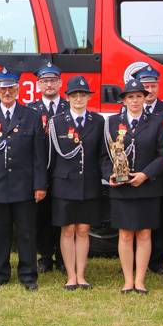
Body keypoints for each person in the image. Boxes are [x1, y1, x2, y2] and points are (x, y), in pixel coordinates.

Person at [0, 68, 47, 291]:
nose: (7, 92)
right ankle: (0, 274)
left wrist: (40, 184)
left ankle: (28, 275)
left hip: (24, 186)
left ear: (18, 90)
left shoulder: (32, 116)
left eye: (11, 88)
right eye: (2, 88)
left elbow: (39, 155)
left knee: (26, 232)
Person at [103, 79, 163, 295]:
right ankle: (127, 280)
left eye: (139, 96)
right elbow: (103, 156)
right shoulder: (112, 122)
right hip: (121, 188)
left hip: (147, 187)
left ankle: (140, 280)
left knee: (144, 234)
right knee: (125, 235)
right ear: (123, 100)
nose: (135, 100)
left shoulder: (157, 122)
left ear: (145, 98)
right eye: (130, 97)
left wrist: (146, 174)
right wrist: (109, 175)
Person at [47, 76, 104, 290]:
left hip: (88, 184)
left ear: (88, 97)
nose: (79, 98)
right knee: (68, 230)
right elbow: (50, 157)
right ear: (68, 97)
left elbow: (102, 154)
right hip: (64, 184)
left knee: (83, 230)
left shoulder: (98, 121)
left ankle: (82, 275)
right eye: (74, 95)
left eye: (83, 94)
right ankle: (70, 276)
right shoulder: (57, 121)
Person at [134, 65, 163, 275]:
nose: (149, 90)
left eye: (153, 86)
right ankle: (135, 258)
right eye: (145, 86)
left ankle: (157, 260)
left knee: (158, 218)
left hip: (161, 171)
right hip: (135, 171)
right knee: (136, 219)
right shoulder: (129, 110)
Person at [28, 62, 69, 274]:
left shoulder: (69, 107)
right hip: (39, 170)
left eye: (53, 80)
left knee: (62, 216)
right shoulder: (30, 110)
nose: (49, 85)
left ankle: (63, 257)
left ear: (60, 83)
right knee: (41, 216)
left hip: (63, 171)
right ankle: (45, 256)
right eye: (44, 81)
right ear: (38, 85)